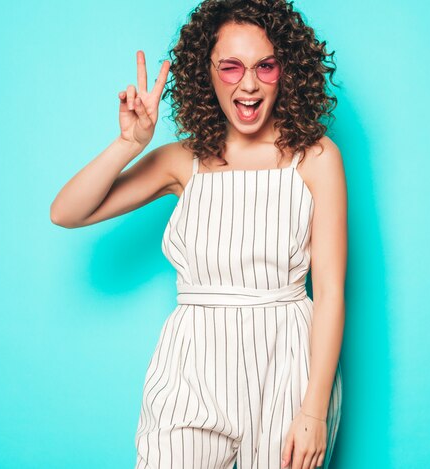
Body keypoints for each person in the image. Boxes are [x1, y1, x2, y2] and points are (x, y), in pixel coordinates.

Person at [50, 0, 347, 468]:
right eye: (230, 67)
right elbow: (66, 212)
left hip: (288, 365)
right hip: (192, 365)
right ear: (204, 74)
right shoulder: (180, 161)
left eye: (265, 66)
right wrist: (128, 144)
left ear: (286, 70)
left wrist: (313, 411)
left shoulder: (315, 157)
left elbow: (330, 291)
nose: (248, 84)